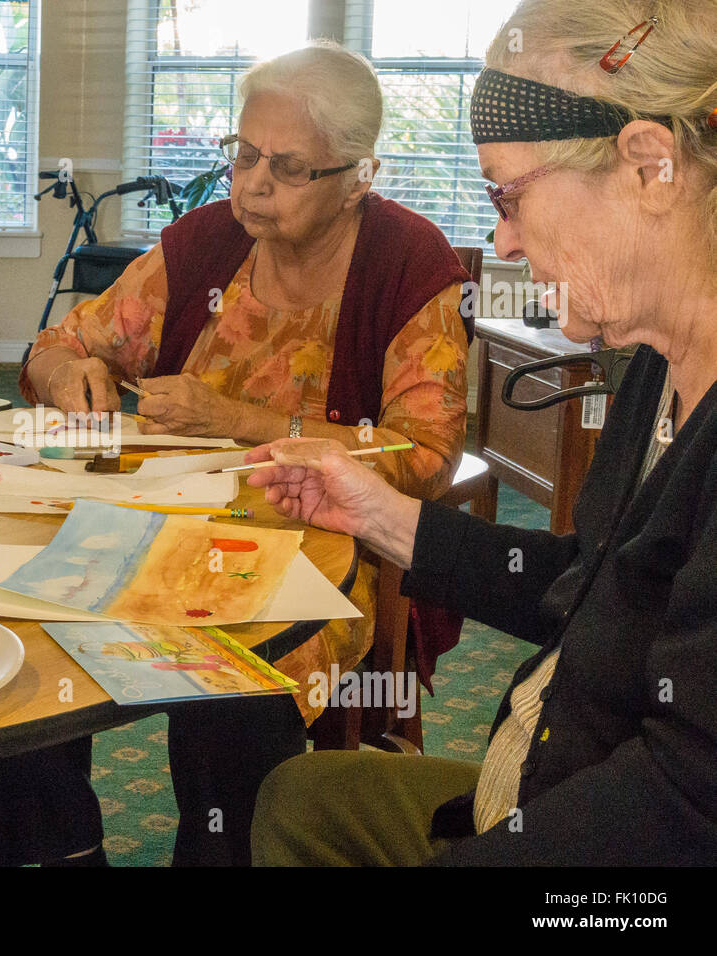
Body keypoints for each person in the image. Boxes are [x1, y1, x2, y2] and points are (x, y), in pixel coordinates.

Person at [0, 42, 472, 866]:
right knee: (24, 652)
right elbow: (51, 347)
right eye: (243, 154)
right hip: (143, 525)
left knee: (227, 689)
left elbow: (424, 454)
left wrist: (235, 416)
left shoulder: (408, 265)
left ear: (358, 177)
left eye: (287, 167)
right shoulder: (204, 243)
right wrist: (71, 374)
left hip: (317, 552)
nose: (252, 182)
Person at [249, 0, 717, 865]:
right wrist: (379, 516)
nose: (500, 238)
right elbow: (588, 585)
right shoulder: (655, 362)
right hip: (544, 778)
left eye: (508, 194)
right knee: (300, 799)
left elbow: (686, 802)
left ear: (651, 166)